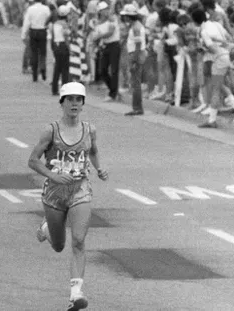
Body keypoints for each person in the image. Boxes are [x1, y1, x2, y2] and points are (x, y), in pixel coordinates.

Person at [28, 82, 109, 311]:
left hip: (80, 189)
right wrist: (52, 175)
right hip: (54, 193)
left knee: (79, 240)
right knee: (59, 245)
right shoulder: (51, 131)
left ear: (83, 104)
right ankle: (46, 229)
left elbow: (92, 151)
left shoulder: (89, 129)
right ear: (62, 103)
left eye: (78, 99)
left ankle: (76, 293)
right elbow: (33, 160)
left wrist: (99, 168)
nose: (74, 103)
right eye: (70, 99)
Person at [121, 4, 147, 115]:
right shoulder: (134, 25)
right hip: (135, 54)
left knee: (135, 83)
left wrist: (134, 61)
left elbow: (138, 44)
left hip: (136, 55)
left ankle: (137, 108)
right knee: (135, 82)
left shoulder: (136, 27)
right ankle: (137, 107)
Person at [21, 0, 51, 82]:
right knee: (43, 53)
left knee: (34, 53)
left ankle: (34, 75)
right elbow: (49, 21)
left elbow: (26, 23)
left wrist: (23, 35)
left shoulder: (30, 9)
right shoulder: (46, 9)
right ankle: (43, 69)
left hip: (33, 31)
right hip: (42, 31)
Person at [51, 5, 71, 96]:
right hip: (63, 46)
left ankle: (54, 89)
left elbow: (53, 36)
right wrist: (70, 48)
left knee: (57, 68)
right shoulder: (64, 24)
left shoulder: (55, 23)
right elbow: (66, 37)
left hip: (56, 45)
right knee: (65, 69)